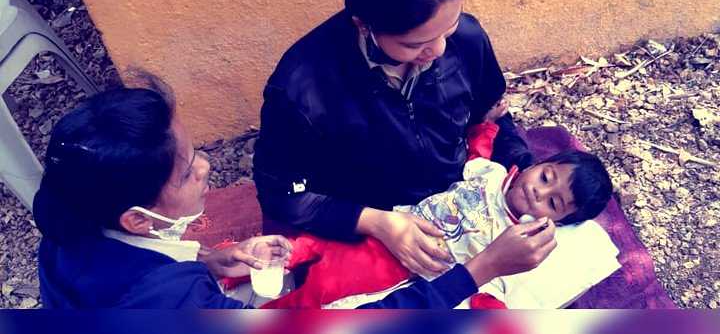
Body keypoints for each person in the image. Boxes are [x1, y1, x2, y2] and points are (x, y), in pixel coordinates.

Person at [33, 74, 555, 309]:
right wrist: (480, 269)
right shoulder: (177, 309)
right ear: (138, 219)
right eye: (188, 169)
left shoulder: (65, 213)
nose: (207, 166)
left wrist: (211, 263)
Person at [254, 0, 537, 278]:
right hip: (367, 231)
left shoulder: (467, 39)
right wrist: (377, 223)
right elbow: (283, 194)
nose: (437, 50)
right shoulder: (300, 87)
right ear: (363, 25)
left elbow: (493, 116)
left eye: (448, 28)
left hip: (463, 202)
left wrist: (525, 172)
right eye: (414, 44)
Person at [258, 102, 613, 308]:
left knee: (329, 291)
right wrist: (488, 121)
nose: (539, 192)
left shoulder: (518, 237)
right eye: (546, 177)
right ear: (536, 165)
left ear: (561, 221)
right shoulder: (491, 172)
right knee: (315, 259)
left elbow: (494, 280)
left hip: (411, 266)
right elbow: (477, 147)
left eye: (553, 202)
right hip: (393, 227)